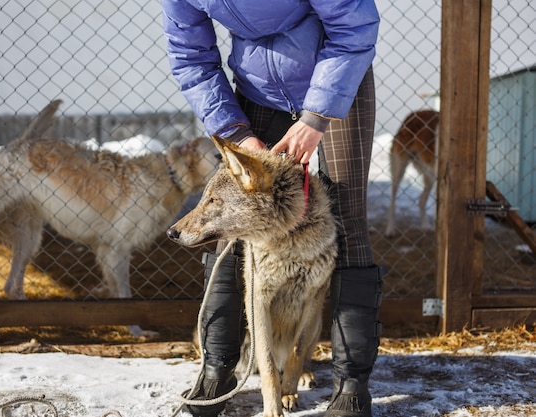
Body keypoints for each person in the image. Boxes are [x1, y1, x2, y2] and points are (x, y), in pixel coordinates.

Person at [161, 1, 384, 416]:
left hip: (338, 79)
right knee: (229, 218)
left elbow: (353, 26)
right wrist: (234, 132)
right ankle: (218, 369)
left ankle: (351, 387)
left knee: (347, 215)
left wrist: (316, 116)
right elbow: (190, 57)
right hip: (257, 89)